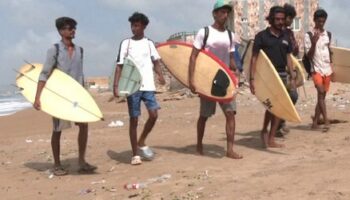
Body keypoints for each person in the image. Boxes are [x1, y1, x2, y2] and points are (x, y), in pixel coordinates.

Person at [34, 17, 97, 176]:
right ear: (61, 31)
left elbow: (79, 74)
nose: (73, 31)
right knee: (58, 130)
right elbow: (44, 74)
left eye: (74, 28)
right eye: (69, 28)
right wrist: (37, 97)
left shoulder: (80, 50)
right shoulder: (54, 50)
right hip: (60, 97)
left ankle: (81, 161)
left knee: (84, 125)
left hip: (77, 95)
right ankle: (57, 164)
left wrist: (85, 95)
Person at [189, 0, 242, 159]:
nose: (225, 15)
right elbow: (193, 57)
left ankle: (230, 149)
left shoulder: (230, 35)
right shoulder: (204, 32)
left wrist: (236, 70)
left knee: (230, 113)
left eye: (227, 12)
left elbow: (232, 58)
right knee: (204, 115)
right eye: (222, 12)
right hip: (207, 79)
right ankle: (199, 144)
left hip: (224, 79)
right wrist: (191, 80)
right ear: (214, 14)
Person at [114, 12, 166, 165]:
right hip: (132, 86)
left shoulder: (149, 43)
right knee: (134, 119)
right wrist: (116, 86)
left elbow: (156, 62)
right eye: (132, 25)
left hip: (148, 85)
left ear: (144, 26)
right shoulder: (126, 43)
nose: (133, 28)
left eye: (136, 25)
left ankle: (141, 140)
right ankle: (135, 154)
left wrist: (160, 76)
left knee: (154, 114)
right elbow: (119, 65)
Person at [249, 6, 297, 148]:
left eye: (282, 19)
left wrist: (292, 76)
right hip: (267, 76)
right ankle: (264, 131)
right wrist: (252, 79)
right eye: (277, 19)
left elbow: (289, 57)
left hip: (281, 75)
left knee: (278, 107)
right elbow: (254, 58)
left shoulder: (286, 36)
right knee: (271, 107)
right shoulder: (261, 36)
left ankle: (270, 137)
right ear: (270, 19)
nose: (280, 22)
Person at [304, 9, 332, 132]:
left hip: (327, 69)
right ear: (315, 20)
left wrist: (333, 66)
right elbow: (308, 56)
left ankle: (315, 122)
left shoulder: (328, 34)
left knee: (322, 97)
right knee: (320, 92)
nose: (321, 24)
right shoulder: (309, 35)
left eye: (323, 21)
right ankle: (326, 121)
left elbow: (329, 51)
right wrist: (314, 43)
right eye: (319, 21)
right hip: (315, 69)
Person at [276, 3, 299, 137]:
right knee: (278, 99)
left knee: (293, 96)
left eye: (291, 18)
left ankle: (281, 121)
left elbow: (293, 52)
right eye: (288, 17)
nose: (290, 20)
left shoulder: (289, 33)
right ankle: (277, 126)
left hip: (288, 70)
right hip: (277, 70)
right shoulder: (276, 31)